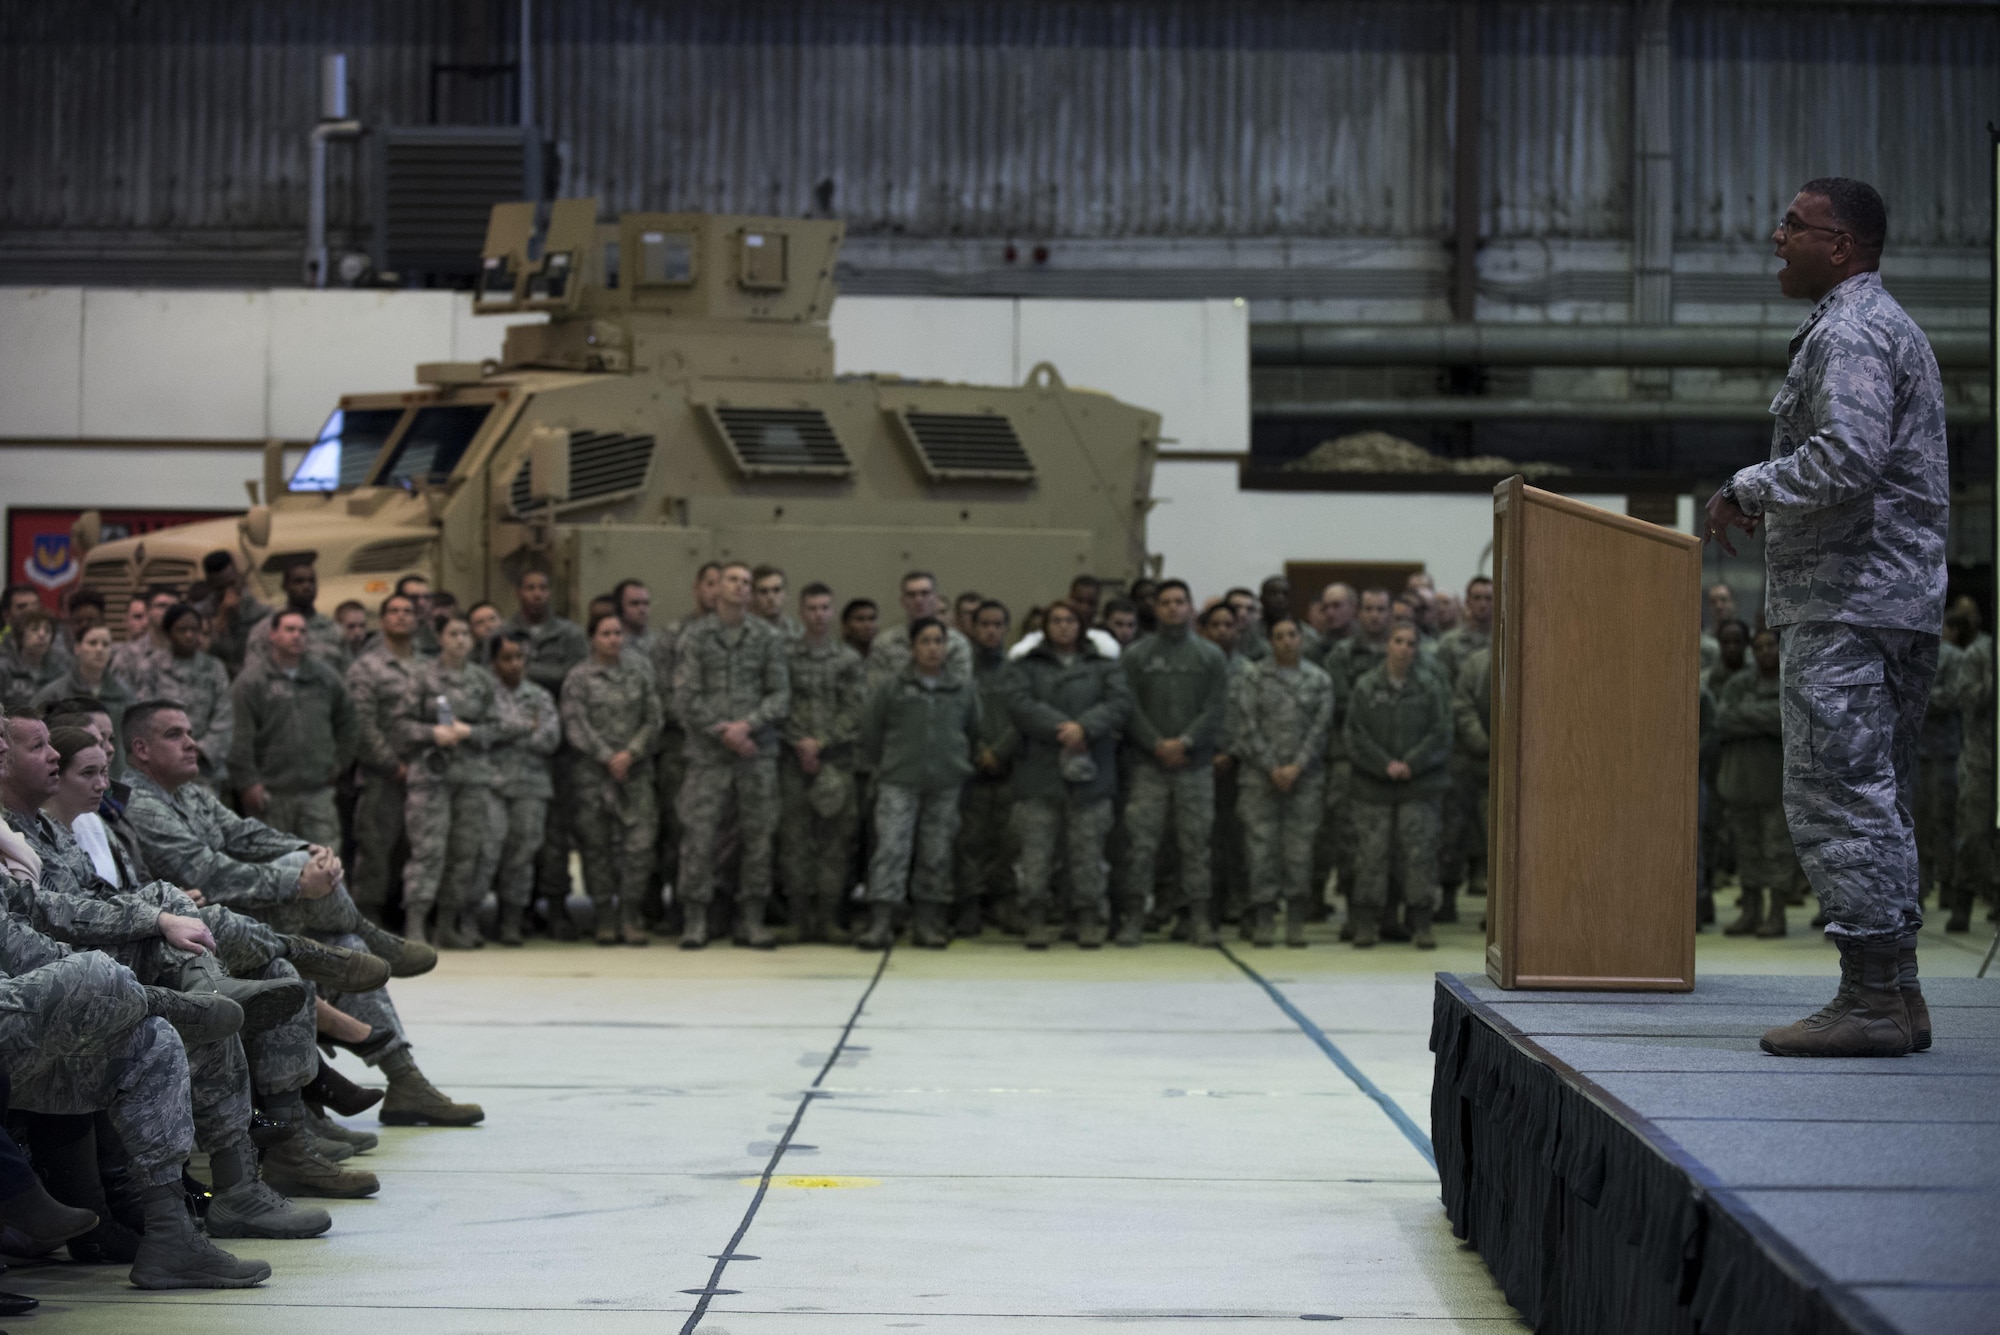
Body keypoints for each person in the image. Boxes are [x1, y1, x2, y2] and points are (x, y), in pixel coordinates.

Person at [1705, 177, 1947, 1058]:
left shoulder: (1848, 331)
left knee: (1839, 798)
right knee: (1876, 798)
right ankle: (1902, 994)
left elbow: (1846, 455)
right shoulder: (1887, 326)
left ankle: (1870, 998)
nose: (1776, 237)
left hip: (1847, 602)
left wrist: (1747, 486)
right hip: (1891, 600)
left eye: (1794, 226)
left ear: (1840, 244)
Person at [121, 700, 483, 1125]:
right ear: (141, 750)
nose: (191, 744)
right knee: (309, 923)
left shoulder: (189, 794)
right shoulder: (140, 804)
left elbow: (246, 834)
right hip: (200, 937)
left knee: (344, 944)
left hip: (243, 922)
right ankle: (371, 939)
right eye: (174, 735)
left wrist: (305, 850)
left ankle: (405, 1081)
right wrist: (297, 880)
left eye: (189, 733)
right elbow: (207, 872)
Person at [671, 564, 787, 949]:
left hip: (756, 754)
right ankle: (696, 919)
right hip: (709, 756)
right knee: (700, 837)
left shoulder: (767, 637)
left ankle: (751, 919)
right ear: (716, 587)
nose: (741, 588)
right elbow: (686, 696)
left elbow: (779, 695)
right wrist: (725, 731)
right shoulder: (696, 636)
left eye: (747, 584)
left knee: (758, 837)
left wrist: (747, 726)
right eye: (733, 580)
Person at [1006, 601, 1131, 949]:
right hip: (1039, 772)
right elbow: (1018, 704)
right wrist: (1062, 728)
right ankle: (1035, 917)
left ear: (1083, 625)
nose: (1063, 627)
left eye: (1070, 620)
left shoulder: (1104, 666)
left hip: (1091, 773)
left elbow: (1120, 704)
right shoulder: (1026, 667)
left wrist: (1085, 728)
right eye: (1056, 621)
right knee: (1036, 854)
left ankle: (1089, 915)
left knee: (1088, 853)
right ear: (1045, 626)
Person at [1117, 580, 1229, 946]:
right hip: (1148, 766)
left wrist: (1185, 741)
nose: (1172, 608)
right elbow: (1128, 706)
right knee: (1141, 844)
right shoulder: (1136, 656)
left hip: (1194, 766)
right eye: (1165, 602)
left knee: (1196, 845)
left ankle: (1197, 916)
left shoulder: (1211, 656)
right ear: (1156, 608)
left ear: (1191, 608)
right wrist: (1155, 743)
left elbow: (1215, 709)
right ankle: (1135, 915)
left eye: (1179, 602)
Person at [858, 618, 981, 949]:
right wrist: (887, 764)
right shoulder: (893, 688)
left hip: (945, 782)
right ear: (912, 647)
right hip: (899, 780)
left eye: (938, 641)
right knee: (891, 849)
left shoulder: (961, 687)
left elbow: (973, 729)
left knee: (936, 852)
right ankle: (881, 921)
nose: (932, 648)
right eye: (925, 641)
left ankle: (928, 922)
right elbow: (872, 732)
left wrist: (957, 763)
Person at [1344, 623, 1453, 949]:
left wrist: (1412, 763)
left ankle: (1421, 921)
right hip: (1372, 788)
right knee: (1370, 856)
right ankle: (1366, 922)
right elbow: (1355, 734)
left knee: (1419, 855)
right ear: (1387, 646)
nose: (1405, 648)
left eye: (1411, 643)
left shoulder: (1430, 687)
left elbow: (1441, 731)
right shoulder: (1366, 687)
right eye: (1398, 641)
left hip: (1419, 786)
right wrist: (1384, 764)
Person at [394, 612, 497, 949]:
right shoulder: (422, 677)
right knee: (428, 851)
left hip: (472, 778)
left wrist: (471, 731)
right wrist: (431, 733)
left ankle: (447, 925)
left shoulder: (482, 680)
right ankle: (416, 926)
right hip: (432, 778)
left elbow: (500, 727)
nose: (460, 640)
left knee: (464, 853)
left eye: (466, 634)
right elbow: (400, 725)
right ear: (440, 638)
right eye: (454, 633)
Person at [1231, 618, 1334, 948]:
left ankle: (1295, 919)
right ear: (1270, 641)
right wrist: (1272, 766)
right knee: (1260, 849)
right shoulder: (1253, 677)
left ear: (1302, 638)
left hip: (1305, 778)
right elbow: (1245, 724)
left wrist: (1296, 767)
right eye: (1280, 636)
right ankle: (1263, 916)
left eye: (1293, 635)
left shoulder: (1318, 679)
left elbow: (1320, 729)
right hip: (1259, 779)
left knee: (1299, 851)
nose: (1287, 641)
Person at [565, 612, 663, 946]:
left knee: (638, 848)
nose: (613, 639)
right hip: (594, 775)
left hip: (635, 774)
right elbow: (575, 724)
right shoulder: (578, 677)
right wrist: (607, 755)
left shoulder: (640, 671)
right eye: (606, 633)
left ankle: (630, 915)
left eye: (618, 633)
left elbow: (654, 718)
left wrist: (630, 753)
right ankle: (605, 916)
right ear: (592, 637)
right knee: (597, 848)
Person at [778, 583, 866, 945]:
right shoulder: (784, 656)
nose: (818, 614)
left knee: (834, 843)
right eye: (811, 608)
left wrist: (823, 742)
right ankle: (798, 919)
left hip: (836, 762)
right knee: (794, 842)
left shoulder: (847, 660)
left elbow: (855, 709)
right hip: (792, 761)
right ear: (801, 612)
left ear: (833, 613)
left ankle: (829, 918)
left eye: (825, 607)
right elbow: (776, 703)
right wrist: (799, 741)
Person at [229, 609, 356, 846]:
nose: (297, 636)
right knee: (274, 868)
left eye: (302, 631)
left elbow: (348, 719)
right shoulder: (252, 682)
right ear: (273, 635)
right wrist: (248, 782)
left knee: (326, 865)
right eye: (290, 629)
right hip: (271, 794)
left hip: (317, 792)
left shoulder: (324, 677)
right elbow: (239, 736)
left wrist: (340, 762)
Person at [476, 631, 561, 946]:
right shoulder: (482, 694)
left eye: (519, 657)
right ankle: (470, 918)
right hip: (492, 784)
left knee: (521, 857)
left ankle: (512, 919)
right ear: (494, 661)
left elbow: (550, 739)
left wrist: (505, 733)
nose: (514, 664)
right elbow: (480, 733)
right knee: (486, 853)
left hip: (531, 786)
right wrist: (525, 727)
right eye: (506, 658)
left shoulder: (540, 696)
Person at [345, 593, 424, 924]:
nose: (401, 616)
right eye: (393, 611)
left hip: (424, 776)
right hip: (382, 775)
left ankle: (406, 914)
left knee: (417, 848)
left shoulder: (429, 665)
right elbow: (362, 724)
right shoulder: (366, 668)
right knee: (376, 848)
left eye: (408, 611)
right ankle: (369, 917)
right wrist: (392, 764)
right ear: (383, 620)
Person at [1715, 628, 1798, 938]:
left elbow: (1786, 721)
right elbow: (1723, 720)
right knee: (1746, 850)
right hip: (1740, 783)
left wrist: (1747, 716)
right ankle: (1750, 911)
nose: (1765, 651)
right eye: (1759, 647)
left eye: (1770, 646)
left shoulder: (1789, 681)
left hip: (1776, 785)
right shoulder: (1738, 683)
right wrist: (1764, 717)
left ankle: (1776, 914)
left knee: (1776, 851)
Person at [955, 599, 1019, 938]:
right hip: (972, 769)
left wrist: (1001, 751)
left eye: (997, 624)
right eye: (984, 624)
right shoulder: (962, 672)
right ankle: (970, 904)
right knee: (971, 840)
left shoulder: (1018, 672)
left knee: (1008, 839)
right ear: (972, 628)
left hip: (1009, 768)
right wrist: (980, 750)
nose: (991, 630)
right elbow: (958, 718)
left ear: (1007, 629)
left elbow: (1023, 717)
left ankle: (1004, 902)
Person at [130, 602, 234, 791]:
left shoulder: (214, 669)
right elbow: (143, 716)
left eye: (194, 630)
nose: (189, 635)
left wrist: (199, 750)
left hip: (203, 771)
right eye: (182, 630)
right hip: (160, 771)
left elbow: (224, 718)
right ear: (169, 633)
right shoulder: (151, 667)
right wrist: (168, 750)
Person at [31, 624, 134, 772]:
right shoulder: (54, 693)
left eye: (105, 644)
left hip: (115, 774)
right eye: (92, 643)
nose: (99, 649)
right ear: (77, 648)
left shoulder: (124, 694)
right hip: (66, 773)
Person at [868, 572, 973, 687]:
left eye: (925, 593)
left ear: (936, 599)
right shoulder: (884, 643)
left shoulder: (956, 642)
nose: (918, 600)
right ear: (902, 601)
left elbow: (962, 689)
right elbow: (877, 690)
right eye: (911, 595)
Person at [245, 561, 346, 670]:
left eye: (311, 581)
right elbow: (253, 673)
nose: (307, 586)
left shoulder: (333, 629)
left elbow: (347, 671)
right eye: (299, 582)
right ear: (285, 586)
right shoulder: (266, 629)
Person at [0, 608, 64, 710]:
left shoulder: (60, 670)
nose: (42, 635)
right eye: (34, 629)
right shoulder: (3, 670)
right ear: (20, 635)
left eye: (47, 630)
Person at [750, 565, 803, 641]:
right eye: (763, 591)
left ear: (786, 594)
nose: (770, 597)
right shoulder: (745, 634)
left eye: (776, 590)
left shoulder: (799, 633)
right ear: (753, 596)